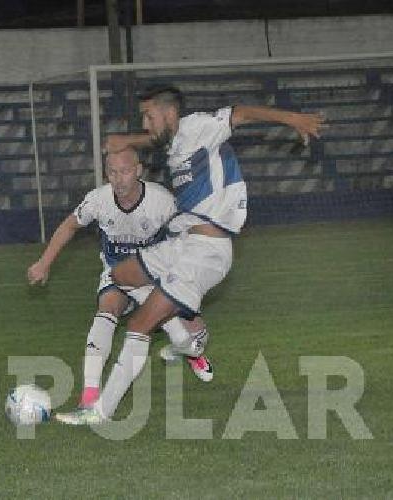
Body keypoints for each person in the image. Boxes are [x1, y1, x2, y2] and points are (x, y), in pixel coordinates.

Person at [55, 84, 326, 425]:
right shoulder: (174, 141)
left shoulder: (199, 127)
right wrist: (127, 141)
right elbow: (155, 139)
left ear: (169, 114)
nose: (145, 122)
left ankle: (100, 411)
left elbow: (240, 113)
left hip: (206, 253)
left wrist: (293, 119)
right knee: (119, 275)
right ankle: (186, 336)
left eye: (148, 115)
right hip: (180, 245)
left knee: (138, 325)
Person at [28, 147, 215, 410]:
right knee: (107, 308)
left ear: (138, 171)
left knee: (183, 329)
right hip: (117, 272)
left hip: (153, 275)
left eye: (125, 171)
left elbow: (186, 236)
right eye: (112, 172)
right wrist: (44, 262)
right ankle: (90, 395)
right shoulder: (98, 200)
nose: (119, 179)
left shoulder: (161, 201)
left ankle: (190, 350)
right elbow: (70, 224)